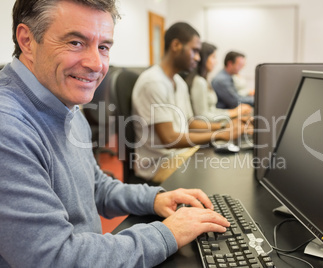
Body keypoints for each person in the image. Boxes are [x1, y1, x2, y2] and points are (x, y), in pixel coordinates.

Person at [0, 1, 230, 267]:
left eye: (103, 47)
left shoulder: (63, 101)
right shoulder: (9, 127)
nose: (96, 64)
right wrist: (168, 233)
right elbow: (55, 258)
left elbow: (94, 185)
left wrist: (154, 199)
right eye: (76, 42)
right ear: (27, 40)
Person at [132, 23, 250, 180]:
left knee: (232, 169)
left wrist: (225, 126)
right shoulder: (153, 82)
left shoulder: (178, 82)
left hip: (180, 155)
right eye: (194, 51)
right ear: (176, 45)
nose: (198, 58)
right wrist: (220, 134)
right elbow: (169, 139)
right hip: (159, 166)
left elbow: (190, 123)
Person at [184, 42, 252, 121]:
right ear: (204, 58)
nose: (215, 62)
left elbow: (212, 110)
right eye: (213, 57)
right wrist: (232, 113)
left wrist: (232, 112)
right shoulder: (199, 82)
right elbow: (202, 116)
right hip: (208, 126)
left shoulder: (205, 80)